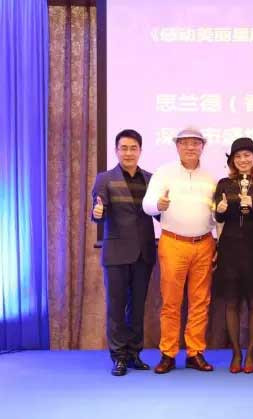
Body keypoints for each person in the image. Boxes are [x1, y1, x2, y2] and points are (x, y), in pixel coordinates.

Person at [142, 127, 217, 374]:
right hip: (173, 243)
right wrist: (158, 204)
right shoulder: (164, 173)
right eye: (184, 143)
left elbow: (218, 215)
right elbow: (147, 205)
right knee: (171, 302)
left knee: (200, 301)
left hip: (204, 243)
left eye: (195, 143)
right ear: (177, 146)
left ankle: (195, 353)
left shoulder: (211, 178)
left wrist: (219, 243)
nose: (190, 147)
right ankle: (168, 353)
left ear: (202, 147)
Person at [91, 129, 156, 376]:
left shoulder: (151, 179)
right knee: (116, 308)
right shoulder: (105, 179)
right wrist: (97, 213)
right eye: (124, 148)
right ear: (116, 151)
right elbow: (98, 212)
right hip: (116, 253)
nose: (128, 153)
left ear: (140, 151)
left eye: (133, 148)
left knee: (137, 308)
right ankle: (118, 356)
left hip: (144, 253)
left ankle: (134, 354)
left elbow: (158, 213)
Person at [214, 137, 253, 374]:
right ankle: (236, 353)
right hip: (229, 248)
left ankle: (251, 353)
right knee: (232, 302)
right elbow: (218, 217)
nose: (243, 160)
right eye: (238, 156)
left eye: (247, 155)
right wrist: (220, 211)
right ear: (232, 160)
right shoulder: (224, 184)